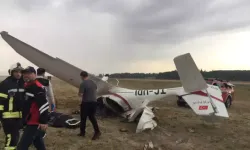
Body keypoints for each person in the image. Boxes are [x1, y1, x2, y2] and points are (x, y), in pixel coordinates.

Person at [17, 66, 49, 150]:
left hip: (34, 122)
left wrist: (43, 121)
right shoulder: (27, 85)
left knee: (22, 147)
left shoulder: (37, 86)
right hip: (29, 120)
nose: (26, 75)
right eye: (24, 74)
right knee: (37, 141)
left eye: (28, 73)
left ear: (34, 74)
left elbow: (44, 104)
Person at [0, 62, 25, 150]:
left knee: (17, 138)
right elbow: (0, 101)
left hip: (20, 117)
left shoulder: (23, 83)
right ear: (11, 72)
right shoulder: (5, 84)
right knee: (11, 138)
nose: (18, 74)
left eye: (20, 72)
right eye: (16, 72)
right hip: (8, 117)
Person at [78, 71, 101, 140]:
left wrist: (79, 93)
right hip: (94, 102)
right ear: (87, 76)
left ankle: (82, 133)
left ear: (82, 76)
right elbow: (95, 89)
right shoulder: (93, 82)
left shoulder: (83, 84)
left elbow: (81, 94)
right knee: (92, 117)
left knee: (83, 118)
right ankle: (97, 132)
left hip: (86, 103)